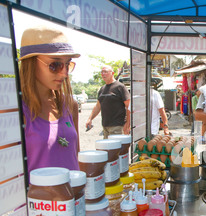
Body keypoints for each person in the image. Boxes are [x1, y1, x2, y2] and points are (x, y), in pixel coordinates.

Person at [19, 25, 81, 175]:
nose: (64, 73)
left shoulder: (69, 104)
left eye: (68, 64)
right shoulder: (15, 110)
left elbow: (75, 153)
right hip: (38, 198)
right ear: (31, 63)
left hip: (73, 195)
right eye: (55, 65)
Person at [86, 65, 131, 138]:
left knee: (117, 149)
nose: (103, 74)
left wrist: (127, 124)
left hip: (118, 126)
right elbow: (98, 106)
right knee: (107, 149)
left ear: (112, 73)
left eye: (105, 72)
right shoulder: (102, 89)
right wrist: (90, 119)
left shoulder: (120, 87)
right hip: (105, 127)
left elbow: (129, 106)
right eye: (102, 72)